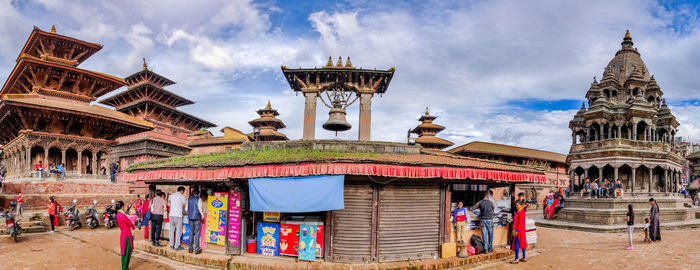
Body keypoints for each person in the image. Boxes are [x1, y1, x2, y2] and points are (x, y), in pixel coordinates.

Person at [115, 201, 135, 270]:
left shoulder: (118, 214)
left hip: (123, 235)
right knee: (127, 252)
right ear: (122, 207)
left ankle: (125, 267)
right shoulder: (122, 215)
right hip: (127, 235)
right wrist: (133, 226)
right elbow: (130, 222)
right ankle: (124, 268)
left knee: (124, 251)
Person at [168, 186, 187, 251]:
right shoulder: (182, 196)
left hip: (171, 215)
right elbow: (184, 205)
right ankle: (177, 246)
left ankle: (171, 245)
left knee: (171, 230)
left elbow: (169, 204)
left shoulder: (172, 196)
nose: (183, 193)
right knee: (178, 231)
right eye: (183, 191)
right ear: (181, 190)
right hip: (178, 215)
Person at [187, 189, 204, 254]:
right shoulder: (199, 199)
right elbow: (199, 208)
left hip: (190, 217)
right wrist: (202, 216)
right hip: (197, 217)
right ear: (199, 193)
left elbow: (186, 209)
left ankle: (190, 249)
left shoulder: (189, 199)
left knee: (191, 233)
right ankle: (197, 250)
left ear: (193, 193)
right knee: (197, 233)